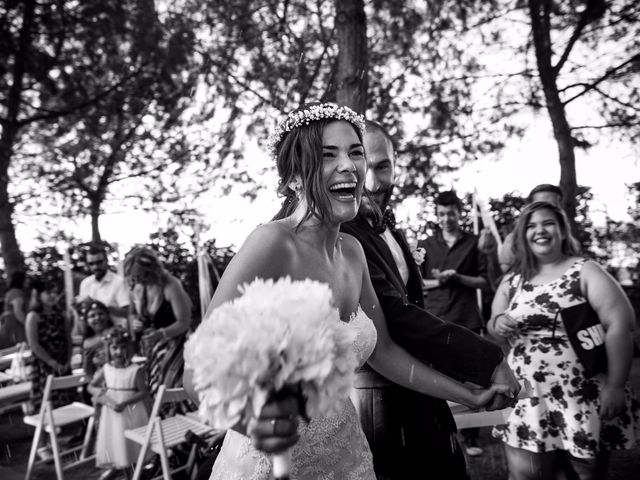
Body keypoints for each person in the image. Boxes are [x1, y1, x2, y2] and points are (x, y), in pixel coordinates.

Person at [185, 102, 512, 480]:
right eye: (328, 155)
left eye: (355, 152)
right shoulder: (271, 245)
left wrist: (466, 394)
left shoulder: (353, 253)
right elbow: (197, 374)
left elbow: (385, 352)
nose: (350, 165)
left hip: (347, 457)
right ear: (293, 178)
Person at [341, 121, 518, 479]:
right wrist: (487, 360)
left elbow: (413, 303)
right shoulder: (346, 233)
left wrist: (462, 389)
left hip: (423, 386)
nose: (373, 181)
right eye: (365, 165)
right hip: (383, 399)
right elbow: (396, 315)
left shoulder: (394, 230)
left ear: (395, 165)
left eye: (383, 166)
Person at [487, 201, 640, 480]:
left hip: (581, 395)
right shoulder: (514, 280)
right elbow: (493, 324)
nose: (540, 230)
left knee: (583, 473)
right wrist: (498, 322)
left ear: (561, 230)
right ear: (522, 236)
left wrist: (617, 384)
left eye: (548, 223)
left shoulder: (585, 270)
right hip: (528, 393)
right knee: (526, 473)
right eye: (531, 226)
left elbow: (620, 323)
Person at [417, 189, 489, 457]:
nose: (447, 218)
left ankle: (471, 437)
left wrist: (458, 277)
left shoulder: (474, 242)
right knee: (438, 381)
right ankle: (444, 433)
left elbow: (484, 281)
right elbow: (418, 282)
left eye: (452, 213)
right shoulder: (425, 244)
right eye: (442, 214)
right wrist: (440, 281)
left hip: (467, 318)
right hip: (434, 319)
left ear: (460, 214)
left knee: (471, 379)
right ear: (436, 216)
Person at [123, 246, 191, 402]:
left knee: (170, 390)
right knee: (152, 389)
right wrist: (134, 322)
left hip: (176, 347)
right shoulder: (136, 287)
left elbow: (184, 322)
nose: (139, 280)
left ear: (152, 269)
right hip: (151, 349)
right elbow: (132, 314)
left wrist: (161, 334)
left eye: (142, 275)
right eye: (135, 276)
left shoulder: (171, 285)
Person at [88, 326, 150, 480]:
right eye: (114, 347)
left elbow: (143, 392)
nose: (118, 351)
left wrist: (125, 403)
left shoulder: (135, 370)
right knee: (115, 438)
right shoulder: (106, 368)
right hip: (112, 411)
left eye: (123, 347)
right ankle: (118, 466)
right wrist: (100, 395)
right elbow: (91, 386)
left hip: (131, 411)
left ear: (128, 347)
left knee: (130, 442)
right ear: (108, 348)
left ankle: (135, 472)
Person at [25, 277, 73, 412]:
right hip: (44, 364)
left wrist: (68, 361)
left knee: (67, 396)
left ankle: (71, 428)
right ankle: (49, 428)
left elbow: (68, 339)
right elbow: (34, 345)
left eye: (55, 292)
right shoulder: (33, 317)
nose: (53, 296)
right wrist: (53, 363)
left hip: (63, 362)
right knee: (47, 401)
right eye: (48, 292)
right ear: (39, 295)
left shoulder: (62, 314)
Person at [497, 184, 563, 273]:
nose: (546, 209)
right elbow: (505, 271)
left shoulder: (572, 243)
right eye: (539, 205)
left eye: (552, 205)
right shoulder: (513, 240)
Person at [77, 245, 130, 327]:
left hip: (116, 332)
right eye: (91, 264)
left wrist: (100, 305)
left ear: (106, 260)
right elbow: (83, 314)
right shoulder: (85, 283)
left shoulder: (119, 282)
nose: (95, 267)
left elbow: (128, 312)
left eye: (99, 262)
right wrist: (77, 307)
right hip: (93, 334)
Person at [82, 300, 114, 378]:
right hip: (98, 381)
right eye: (92, 316)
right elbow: (87, 372)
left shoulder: (117, 333)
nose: (97, 318)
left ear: (108, 316)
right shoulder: (87, 342)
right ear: (86, 321)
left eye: (101, 314)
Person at [0, 270, 28, 347]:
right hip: (14, 326)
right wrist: (28, 324)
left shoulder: (13, 292)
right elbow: (17, 312)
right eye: (26, 279)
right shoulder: (16, 292)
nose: (27, 281)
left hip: (11, 324)